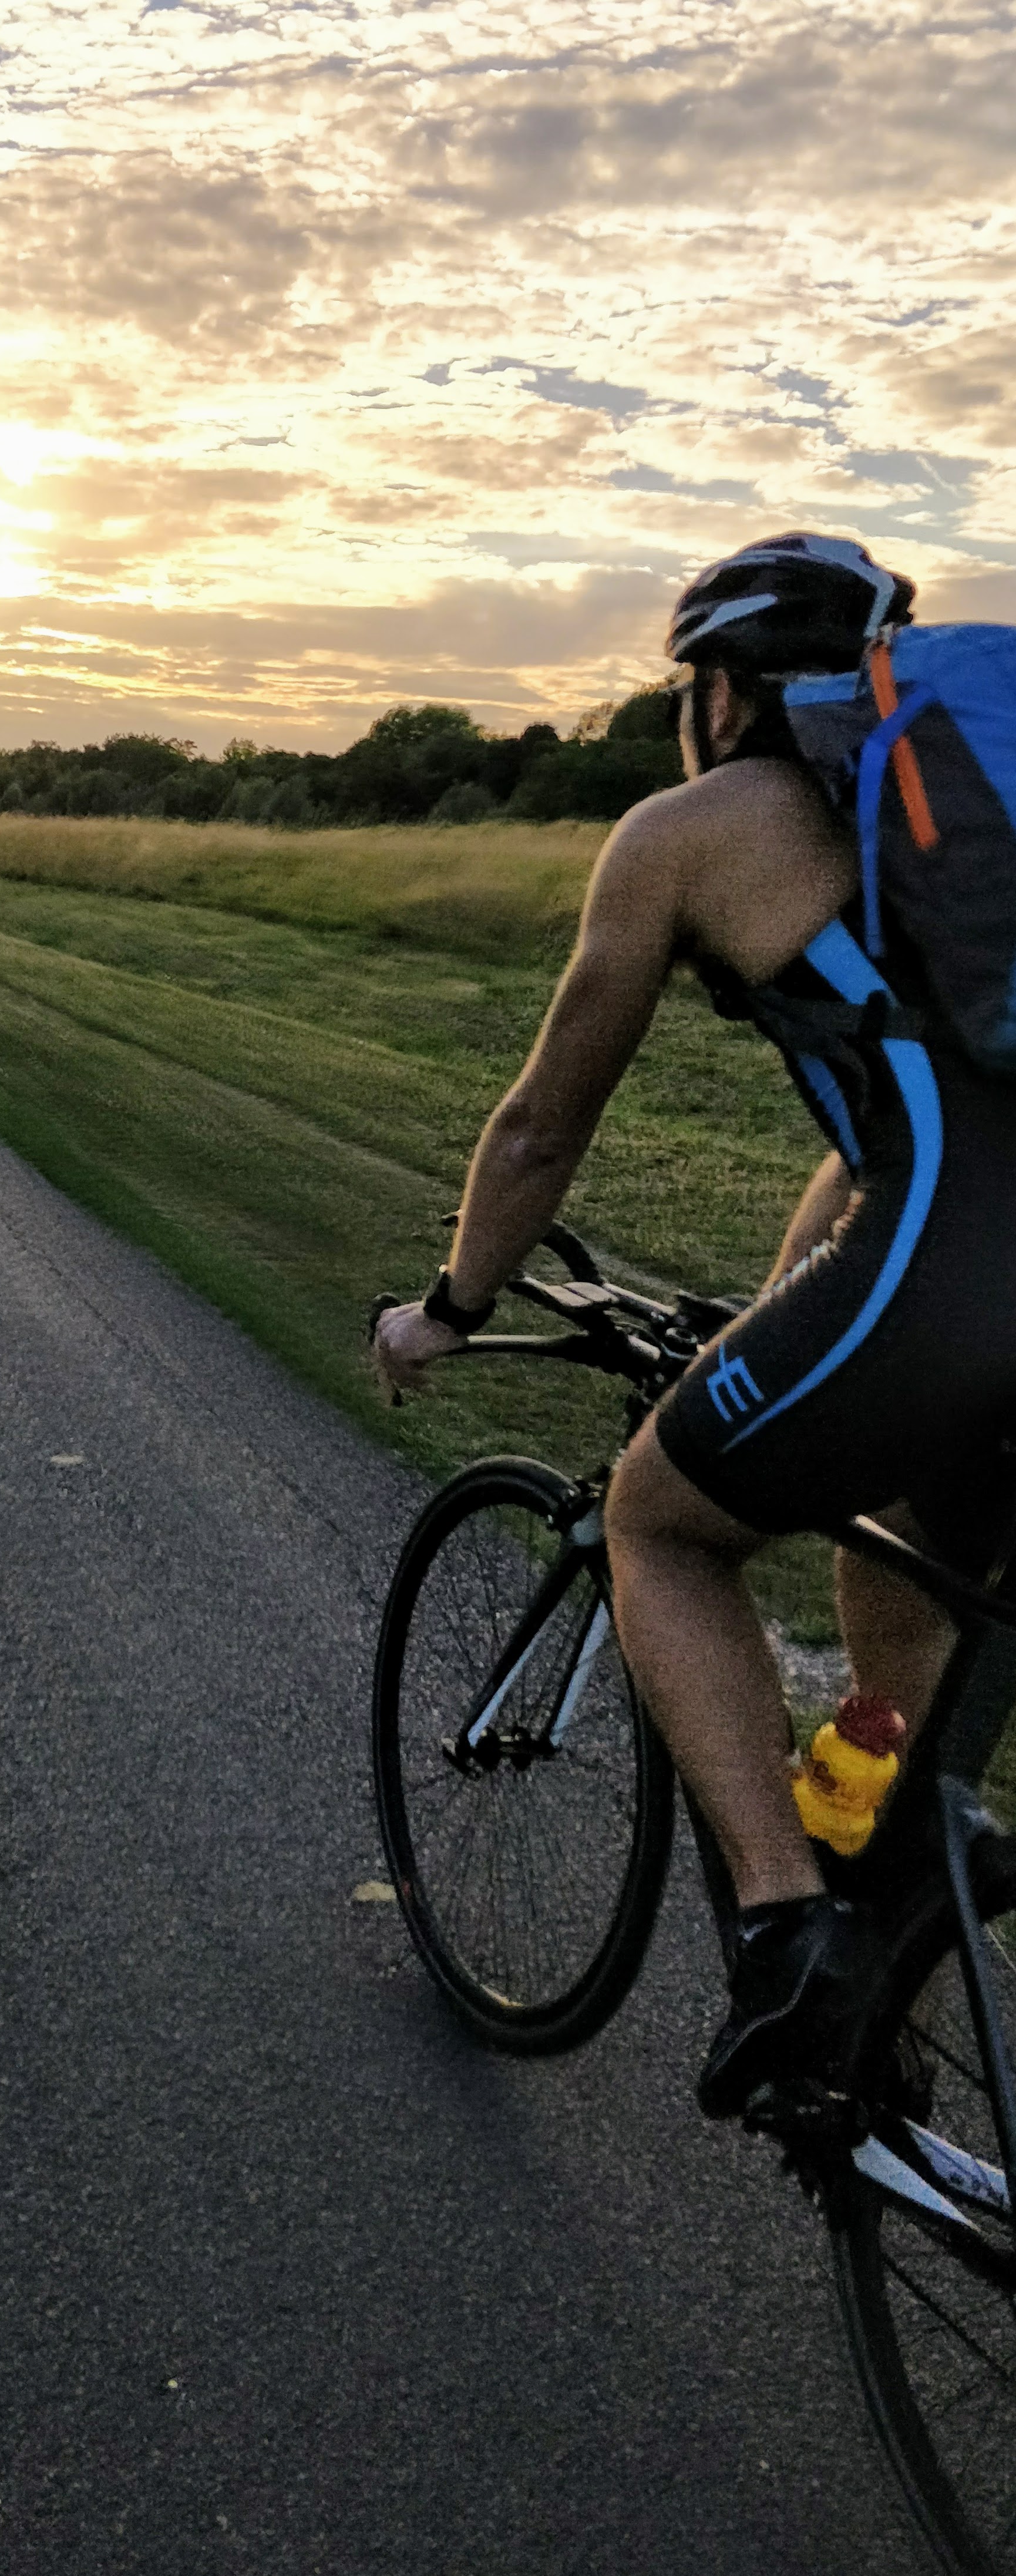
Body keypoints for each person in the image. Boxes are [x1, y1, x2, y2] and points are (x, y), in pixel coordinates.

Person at [373, 533, 1016, 2117]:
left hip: (955, 1265)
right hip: (948, 1256)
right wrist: (795, 1309)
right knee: (891, 1537)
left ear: (719, 693)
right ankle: (892, 1958)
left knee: (655, 1522)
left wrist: (449, 1308)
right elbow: (886, 1126)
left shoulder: (686, 831)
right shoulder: (948, 845)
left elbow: (540, 1129)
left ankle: (789, 1942)